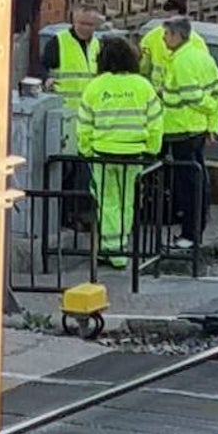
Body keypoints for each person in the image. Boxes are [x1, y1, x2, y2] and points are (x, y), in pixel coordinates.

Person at [77, 37, 163, 269]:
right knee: (127, 201)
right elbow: (155, 122)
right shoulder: (142, 85)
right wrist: (152, 150)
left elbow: (84, 123)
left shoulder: (95, 86)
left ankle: (111, 249)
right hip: (134, 154)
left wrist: (86, 151)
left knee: (107, 202)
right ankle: (121, 246)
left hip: (102, 153)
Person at [160, 17, 218, 249]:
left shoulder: (182, 62)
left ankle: (190, 233)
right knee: (198, 180)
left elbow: (192, 96)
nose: (163, 38)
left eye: (167, 34)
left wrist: (208, 108)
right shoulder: (201, 56)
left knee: (187, 184)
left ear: (178, 36)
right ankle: (195, 229)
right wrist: (212, 126)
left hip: (181, 129)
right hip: (195, 129)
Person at [40, 6, 102, 231]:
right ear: (74, 21)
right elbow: (42, 69)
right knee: (66, 170)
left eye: (90, 25)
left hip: (89, 118)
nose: (86, 28)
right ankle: (65, 216)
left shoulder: (98, 45)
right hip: (64, 116)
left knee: (84, 171)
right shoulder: (59, 42)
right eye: (82, 23)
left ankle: (80, 215)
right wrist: (46, 80)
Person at [140, 0, 210, 94]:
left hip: (157, 97)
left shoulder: (151, 37)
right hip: (181, 98)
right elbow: (204, 75)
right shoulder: (197, 42)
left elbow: (143, 69)